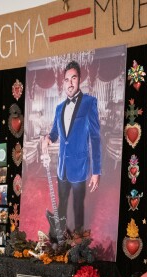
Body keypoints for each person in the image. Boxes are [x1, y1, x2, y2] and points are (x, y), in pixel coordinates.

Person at [41, 60, 101, 233]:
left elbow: (96, 138)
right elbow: (54, 133)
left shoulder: (89, 102)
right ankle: (59, 236)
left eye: (73, 78)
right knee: (62, 201)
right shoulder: (59, 108)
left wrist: (96, 171)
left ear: (79, 80)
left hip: (80, 165)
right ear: (63, 82)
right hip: (62, 167)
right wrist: (47, 138)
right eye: (67, 79)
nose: (70, 82)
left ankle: (79, 237)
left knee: (78, 204)